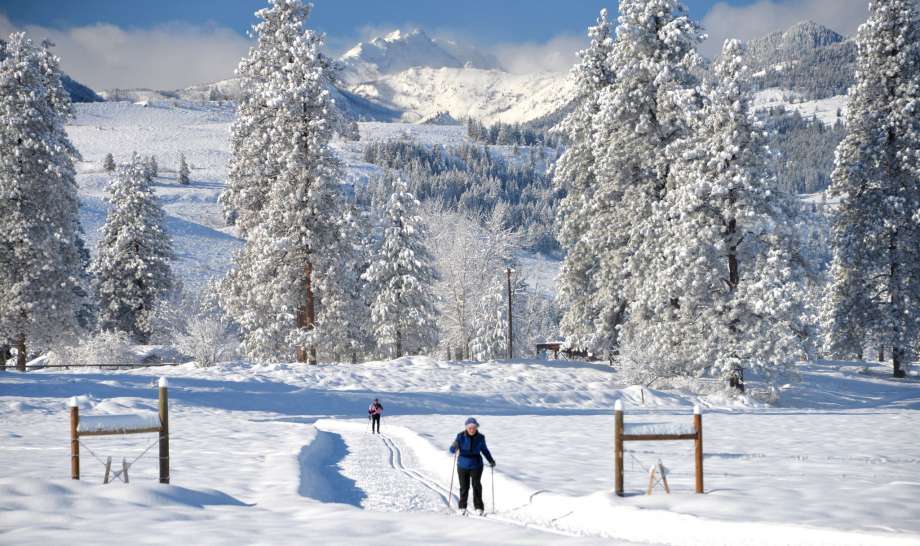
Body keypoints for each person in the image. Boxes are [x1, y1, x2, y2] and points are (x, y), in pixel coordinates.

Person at [449, 417, 495, 516]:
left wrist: (490, 460)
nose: (471, 429)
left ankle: (479, 508)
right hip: (462, 465)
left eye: (473, 427)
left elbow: (485, 450)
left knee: (476, 486)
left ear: (476, 427)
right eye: (469, 427)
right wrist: (454, 447)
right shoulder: (460, 436)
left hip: (476, 465)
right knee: (464, 487)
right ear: (466, 428)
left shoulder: (481, 437)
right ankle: (462, 507)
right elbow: (452, 449)